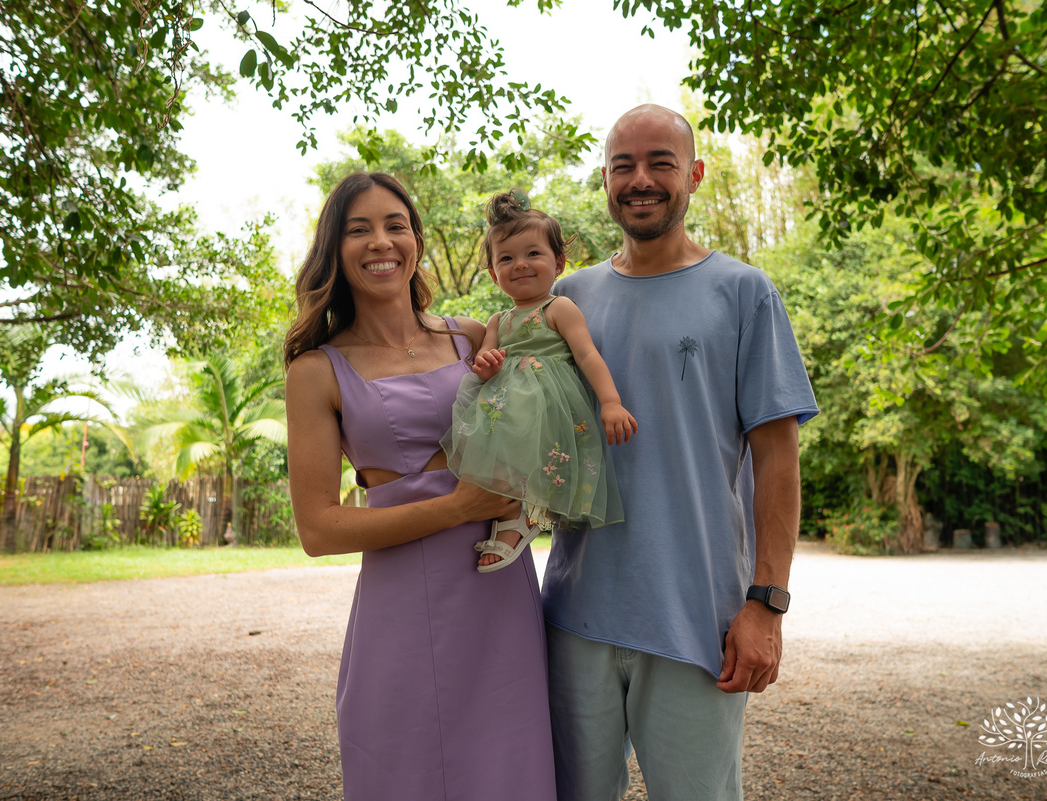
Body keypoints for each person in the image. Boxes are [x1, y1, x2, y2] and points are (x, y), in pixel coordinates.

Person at [542, 105, 820, 801]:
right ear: (604, 179)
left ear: (692, 174)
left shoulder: (743, 292)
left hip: (699, 615)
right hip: (575, 615)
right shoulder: (566, 300)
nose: (641, 180)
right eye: (623, 165)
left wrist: (767, 603)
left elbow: (778, 460)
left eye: (660, 162)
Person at [284, 172, 556, 801]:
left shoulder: (470, 336)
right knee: (405, 770)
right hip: (401, 609)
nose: (381, 242)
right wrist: (457, 505)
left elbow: (552, 392)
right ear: (336, 249)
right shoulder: (316, 370)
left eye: (395, 225)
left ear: (416, 241)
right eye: (359, 229)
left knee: (512, 770)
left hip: (500, 599)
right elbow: (319, 529)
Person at [441, 190, 637, 572]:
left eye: (533, 254)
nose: (520, 265)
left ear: (559, 262)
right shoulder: (498, 320)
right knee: (497, 461)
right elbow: (487, 358)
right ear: (494, 273)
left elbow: (587, 355)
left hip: (549, 402)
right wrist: (487, 364)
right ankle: (510, 517)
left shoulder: (558, 308)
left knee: (532, 462)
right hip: (507, 401)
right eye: (507, 258)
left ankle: (525, 519)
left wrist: (610, 401)